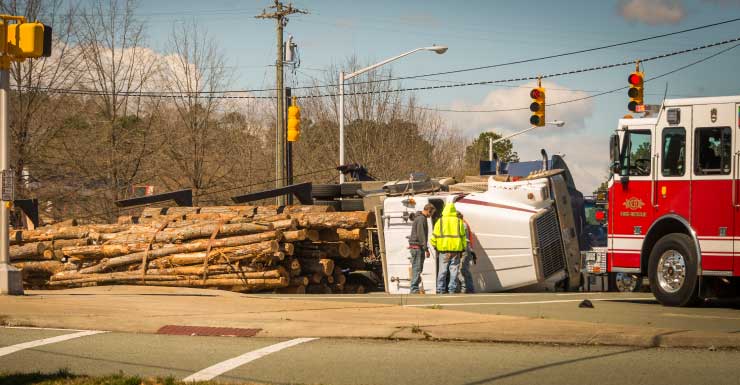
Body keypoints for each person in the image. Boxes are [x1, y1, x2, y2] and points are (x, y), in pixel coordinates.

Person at [430, 201, 467, 294]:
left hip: (443, 250)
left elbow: (434, 236)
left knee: (442, 270)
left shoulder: (440, 221)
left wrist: (435, 246)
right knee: (454, 271)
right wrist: (463, 248)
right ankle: (452, 289)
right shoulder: (459, 222)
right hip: (456, 251)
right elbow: (463, 236)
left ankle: (440, 289)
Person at [407, 203, 436, 294]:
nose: (431, 215)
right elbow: (421, 235)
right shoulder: (421, 219)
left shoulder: (419, 218)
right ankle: (414, 288)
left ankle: (415, 287)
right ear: (429, 210)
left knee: (417, 267)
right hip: (417, 247)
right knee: (417, 268)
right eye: (431, 213)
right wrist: (426, 249)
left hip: (415, 247)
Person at [457, 213, 476, 294]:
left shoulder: (462, 225)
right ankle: (469, 288)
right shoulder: (464, 224)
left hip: (464, 248)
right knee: (464, 269)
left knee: (462, 269)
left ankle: (467, 288)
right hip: (466, 248)